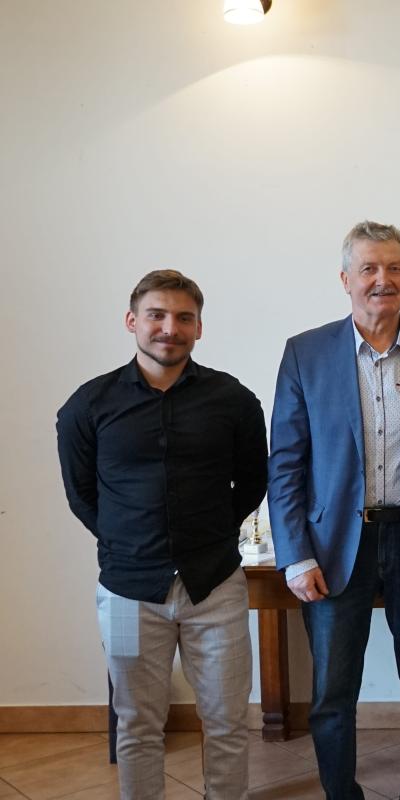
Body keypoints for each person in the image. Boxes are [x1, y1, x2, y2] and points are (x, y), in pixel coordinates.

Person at [268, 220, 400, 799]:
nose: (382, 280)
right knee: (332, 693)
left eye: (394, 268)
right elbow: (285, 463)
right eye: (368, 268)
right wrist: (295, 555)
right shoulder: (305, 353)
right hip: (336, 546)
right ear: (346, 279)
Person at [57, 269, 267, 800]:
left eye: (183, 318)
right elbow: (81, 494)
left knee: (227, 722)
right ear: (132, 321)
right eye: (156, 315)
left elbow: (252, 482)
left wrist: (210, 535)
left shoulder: (233, 400)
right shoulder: (88, 405)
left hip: (215, 589)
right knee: (136, 722)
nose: (169, 328)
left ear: (199, 328)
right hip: (127, 594)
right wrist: (128, 542)